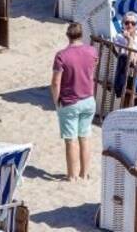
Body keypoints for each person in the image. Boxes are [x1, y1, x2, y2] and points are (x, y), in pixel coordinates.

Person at [50, 22, 97, 181]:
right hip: (88, 99)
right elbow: (92, 71)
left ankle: (72, 175)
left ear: (67, 35)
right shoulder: (92, 51)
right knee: (85, 137)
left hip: (70, 101)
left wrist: (56, 101)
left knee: (71, 140)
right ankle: (85, 173)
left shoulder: (61, 55)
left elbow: (56, 82)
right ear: (81, 35)